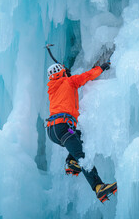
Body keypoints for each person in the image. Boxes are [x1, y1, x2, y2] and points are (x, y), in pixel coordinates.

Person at [46, 62, 117, 203]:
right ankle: (98, 186)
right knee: (82, 156)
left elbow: (63, 90)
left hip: (52, 131)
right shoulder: (70, 81)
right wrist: (102, 67)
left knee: (79, 135)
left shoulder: (52, 89)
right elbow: (88, 76)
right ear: (63, 73)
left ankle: (71, 162)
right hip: (63, 126)